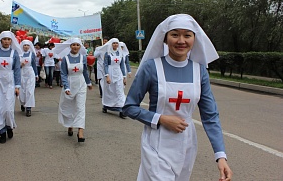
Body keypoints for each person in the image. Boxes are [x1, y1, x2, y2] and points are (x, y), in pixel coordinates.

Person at [123, 14, 232, 181]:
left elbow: (210, 116)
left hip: (186, 145)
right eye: (175, 34)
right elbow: (129, 107)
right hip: (156, 144)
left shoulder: (199, 71)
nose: (181, 40)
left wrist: (221, 156)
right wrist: (161, 119)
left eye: (187, 35)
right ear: (165, 39)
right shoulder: (151, 68)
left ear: (194, 39)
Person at [54, 38, 92, 142]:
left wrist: (88, 82)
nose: (75, 47)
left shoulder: (83, 57)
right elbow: (64, 74)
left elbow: (84, 72)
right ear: (70, 46)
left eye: (77, 45)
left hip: (81, 84)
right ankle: (70, 125)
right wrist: (66, 87)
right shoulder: (65, 59)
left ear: (80, 47)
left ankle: (80, 131)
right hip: (70, 84)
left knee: (80, 107)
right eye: (73, 45)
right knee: (68, 106)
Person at [96, 38, 127, 118]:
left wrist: (124, 76)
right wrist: (107, 76)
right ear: (111, 44)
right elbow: (105, 65)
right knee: (109, 91)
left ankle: (122, 109)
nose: (115, 45)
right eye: (114, 43)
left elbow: (122, 66)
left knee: (120, 91)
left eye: (117, 43)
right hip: (110, 73)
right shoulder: (108, 54)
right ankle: (106, 106)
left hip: (118, 74)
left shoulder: (120, 54)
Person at [19, 40, 39, 117]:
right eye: (25, 45)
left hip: (30, 72)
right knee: (22, 90)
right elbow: (15, 66)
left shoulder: (32, 54)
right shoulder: (19, 54)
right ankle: (23, 103)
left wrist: (36, 74)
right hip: (21, 72)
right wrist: (20, 65)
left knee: (30, 91)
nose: (26, 47)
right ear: (22, 46)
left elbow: (34, 64)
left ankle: (28, 108)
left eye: (28, 45)